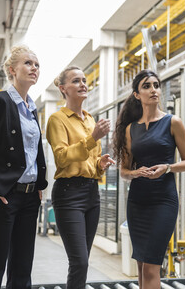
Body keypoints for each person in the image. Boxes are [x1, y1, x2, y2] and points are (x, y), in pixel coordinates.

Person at [0, 45, 48, 289]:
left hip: (30, 197)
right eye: (28, 63)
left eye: (36, 64)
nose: (34, 68)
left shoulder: (32, 108)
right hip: (4, 195)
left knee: (22, 268)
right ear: (12, 70)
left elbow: (34, 153)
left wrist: (39, 184)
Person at [112, 69, 185, 289]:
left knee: (150, 267)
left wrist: (167, 168)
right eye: (146, 86)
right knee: (140, 267)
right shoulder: (130, 129)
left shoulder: (173, 122)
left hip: (163, 201)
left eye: (156, 85)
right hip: (137, 202)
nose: (153, 90)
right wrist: (136, 173)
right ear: (137, 95)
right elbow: (124, 171)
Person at [46, 65, 115, 289]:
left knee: (83, 260)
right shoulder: (57, 119)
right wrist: (93, 138)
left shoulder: (89, 119)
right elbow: (62, 158)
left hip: (91, 193)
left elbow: (88, 161)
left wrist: (100, 165)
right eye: (76, 81)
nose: (83, 84)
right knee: (80, 261)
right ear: (63, 88)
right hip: (69, 194)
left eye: (84, 80)